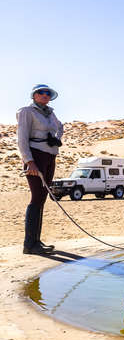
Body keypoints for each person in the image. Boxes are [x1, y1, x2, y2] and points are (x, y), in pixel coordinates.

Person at [17, 84, 63, 254]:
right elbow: (21, 138)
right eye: (41, 93)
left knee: (43, 197)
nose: (45, 95)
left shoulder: (50, 113)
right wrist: (29, 162)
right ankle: (29, 245)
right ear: (34, 95)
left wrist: (56, 139)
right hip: (36, 156)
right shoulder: (26, 112)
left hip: (50, 157)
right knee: (36, 197)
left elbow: (60, 126)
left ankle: (37, 241)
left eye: (48, 93)